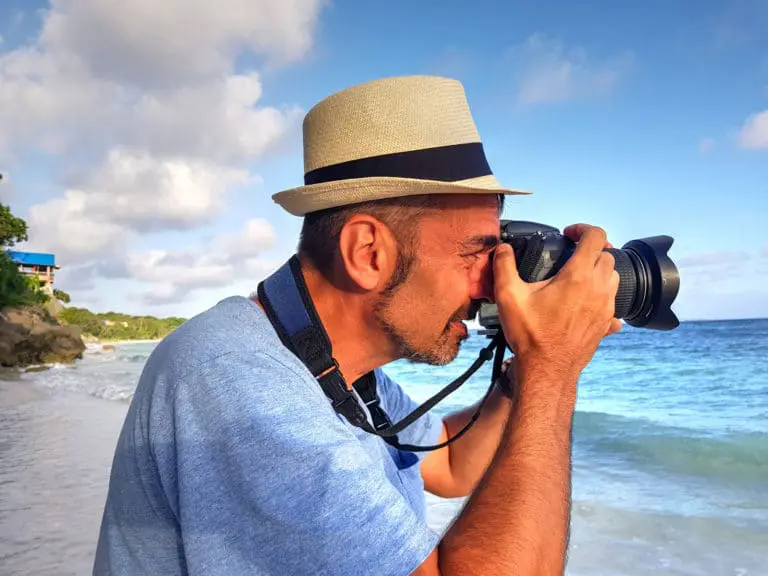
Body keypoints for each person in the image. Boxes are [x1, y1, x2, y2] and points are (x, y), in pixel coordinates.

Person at [93, 75, 621, 576]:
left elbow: (452, 462)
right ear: (367, 251)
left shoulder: (329, 364)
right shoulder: (240, 383)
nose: (491, 285)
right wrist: (554, 367)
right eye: (476, 254)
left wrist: (526, 368)